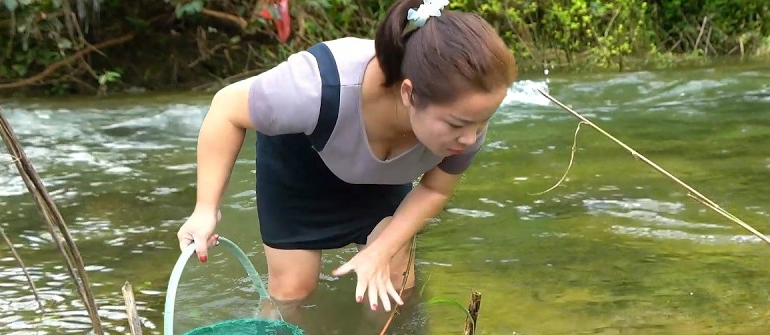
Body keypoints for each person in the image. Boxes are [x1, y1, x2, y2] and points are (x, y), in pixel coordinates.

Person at [176, 0, 517, 313]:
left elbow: (435, 190)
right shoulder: (313, 88)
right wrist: (206, 208)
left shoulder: (465, 118)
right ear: (409, 94)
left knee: (396, 282)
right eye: (458, 124)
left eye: (483, 121)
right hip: (301, 164)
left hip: (381, 173)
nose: (471, 138)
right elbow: (225, 109)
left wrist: (380, 251)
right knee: (292, 295)